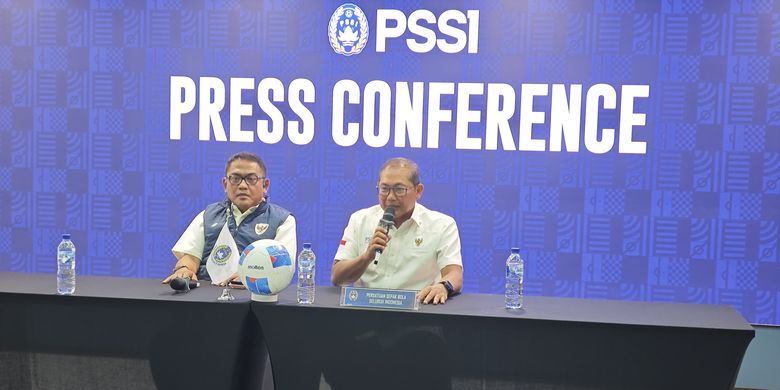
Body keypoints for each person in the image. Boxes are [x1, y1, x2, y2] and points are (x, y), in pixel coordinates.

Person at [332, 157, 463, 304]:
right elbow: (338, 278)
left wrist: (443, 286)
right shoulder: (360, 219)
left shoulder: (442, 225)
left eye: (399, 190)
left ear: (418, 191)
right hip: (366, 312)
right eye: (384, 189)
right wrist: (366, 257)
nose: (390, 197)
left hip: (419, 314)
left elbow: (454, 273)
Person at [162, 151, 296, 286]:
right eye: (235, 178)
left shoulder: (282, 220)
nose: (243, 185)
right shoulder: (208, 215)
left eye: (251, 179)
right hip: (205, 293)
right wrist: (184, 269)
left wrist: (249, 276)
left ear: (265, 185)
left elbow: (282, 268)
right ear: (225, 184)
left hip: (253, 294)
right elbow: (191, 257)